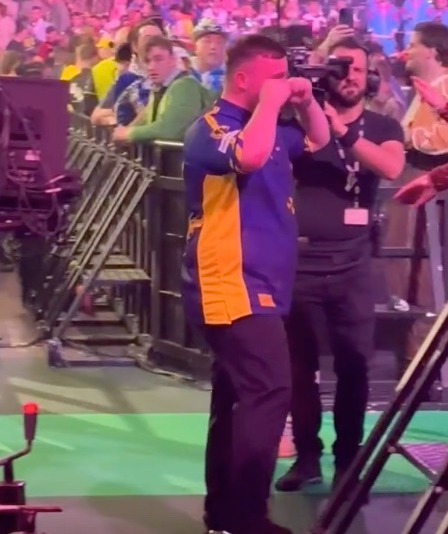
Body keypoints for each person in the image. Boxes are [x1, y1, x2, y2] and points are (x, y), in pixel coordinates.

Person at [181, 34, 330, 534]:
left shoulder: (268, 126)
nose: (281, 87)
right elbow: (245, 157)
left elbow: (318, 140)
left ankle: (223, 514)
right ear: (243, 79)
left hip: (263, 284)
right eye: (273, 76)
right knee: (269, 391)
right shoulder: (207, 129)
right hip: (230, 284)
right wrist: (269, 103)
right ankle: (247, 518)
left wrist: (304, 103)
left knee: (236, 397)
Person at [275, 36, 405, 493]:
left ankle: (349, 459)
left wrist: (344, 132)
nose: (348, 76)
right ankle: (307, 457)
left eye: (356, 69)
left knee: (354, 366)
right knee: (299, 369)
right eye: (339, 67)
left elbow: (390, 168)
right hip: (301, 264)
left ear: (369, 76)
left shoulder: (383, 125)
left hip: (353, 266)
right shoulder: (298, 125)